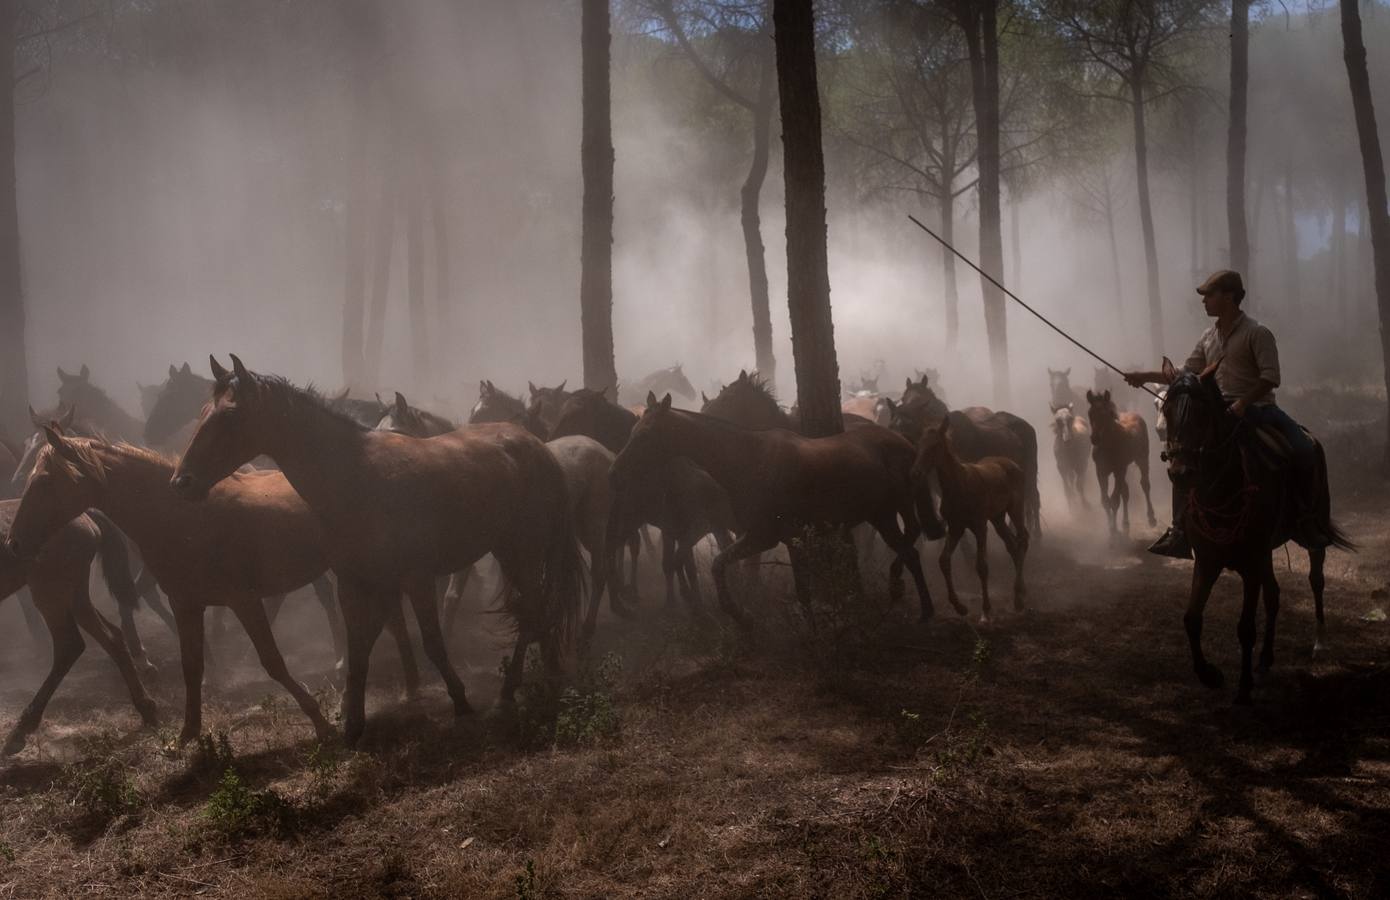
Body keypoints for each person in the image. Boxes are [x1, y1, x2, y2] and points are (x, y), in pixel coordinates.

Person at [1123, 269, 1325, 559]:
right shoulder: (1208, 337)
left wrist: (1243, 403)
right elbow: (1184, 373)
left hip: (1260, 410)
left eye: (1209, 295)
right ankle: (1179, 529)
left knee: (1305, 449)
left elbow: (1271, 378)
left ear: (1229, 296)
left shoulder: (1258, 333)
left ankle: (1307, 520)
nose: (1204, 301)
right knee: (1184, 457)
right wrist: (1144, 375)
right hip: (1218, 414)